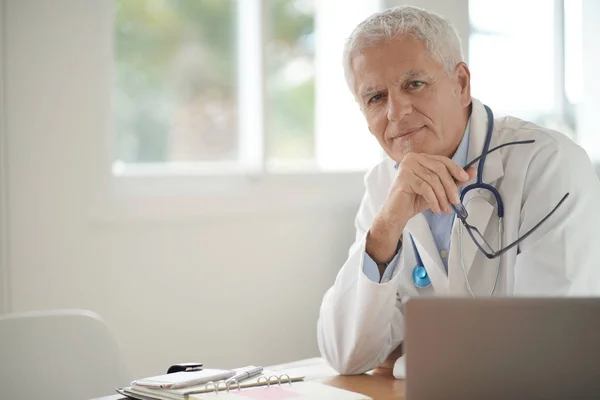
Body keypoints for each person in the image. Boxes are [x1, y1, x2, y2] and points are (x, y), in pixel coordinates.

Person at [316, 5, 600, 377]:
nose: (396, 113)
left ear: (461, 84)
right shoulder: (385, 186)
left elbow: (548, 344)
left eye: (413, 84)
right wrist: (386, 228)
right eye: (375, 98)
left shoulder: (549, 164)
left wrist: (408, 358)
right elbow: (345, 355)